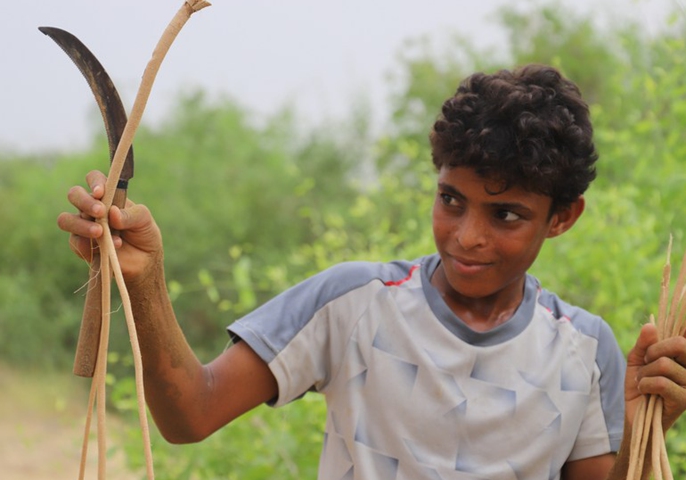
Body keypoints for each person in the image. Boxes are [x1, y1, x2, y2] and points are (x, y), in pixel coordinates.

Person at [58, 64, 686, 479]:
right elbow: (190, 415)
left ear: (562, 218)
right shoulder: (353, 304)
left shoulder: (585, 350)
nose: (467, 235)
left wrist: (643, 429)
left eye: (506, 215)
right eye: (452, 200)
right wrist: (145, 281)